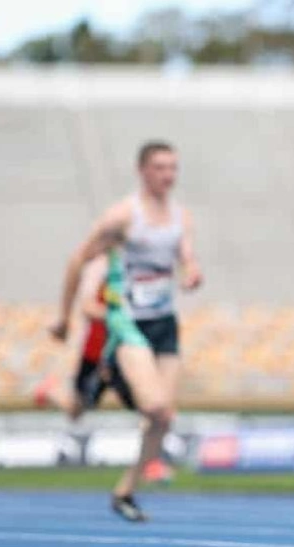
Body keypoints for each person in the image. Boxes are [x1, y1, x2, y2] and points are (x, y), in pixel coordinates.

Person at [56, 141, 201, 522]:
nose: (168, 175)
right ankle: (112, 370)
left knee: (163, 417)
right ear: (143, 171)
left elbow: (186, 254)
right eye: (160, 167)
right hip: (128, 320)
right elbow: (77, 260)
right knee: (152, 405)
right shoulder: (122, 216)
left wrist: (191, 272)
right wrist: (62, 317)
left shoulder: (181, 217)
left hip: (164, 322)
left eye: (173, 167)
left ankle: (125, 491)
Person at [37, 257, 171, 482]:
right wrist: (119, 316)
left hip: (128, 350)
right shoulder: (100, 266)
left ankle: (151, 461)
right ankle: (51, 391)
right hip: (97, 352)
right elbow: (88, 306)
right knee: (76, 411)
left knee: (149, 405)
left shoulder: (142, 263)